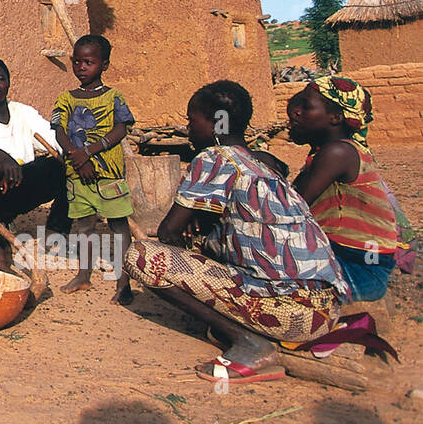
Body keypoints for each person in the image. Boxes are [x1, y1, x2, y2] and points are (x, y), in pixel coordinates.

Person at [124, 81, 350, 385]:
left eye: (192, 121)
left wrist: (191, 237)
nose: (189, 130)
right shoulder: (263, 164)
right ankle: (248, 329)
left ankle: (250, 344)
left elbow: (168, 231)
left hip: (293, 312)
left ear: (217, 122)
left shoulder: (215, 158)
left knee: (143, 256)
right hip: (324, 309)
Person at [288, 77, 410, 303]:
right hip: (350, 259)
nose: (295, 112)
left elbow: (290, 206)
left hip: (359, 269)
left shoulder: (337, 153)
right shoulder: (330, 152)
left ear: (336, 117)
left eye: (305, 107)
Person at [51, 34, 135, 303]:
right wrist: (76, 157)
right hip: (77, 176)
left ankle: (124, 282)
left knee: (119, 226)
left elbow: (121, 128)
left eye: (89, 62)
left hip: (108, 175)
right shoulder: (65, 98)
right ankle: (83, 275)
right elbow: (59, 131)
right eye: (77, 61)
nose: (82, 67)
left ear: (104, 65)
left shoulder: (113, 97)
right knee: (84, 225)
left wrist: (87, 153)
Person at [0, 57, 70, 236]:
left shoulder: (23, 112)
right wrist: (2, 159)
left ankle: (56, 230)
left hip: (23, 180)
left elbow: (52, 137)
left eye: (0, 79)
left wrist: (76, 150)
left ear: (8, 82)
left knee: (66, 170)